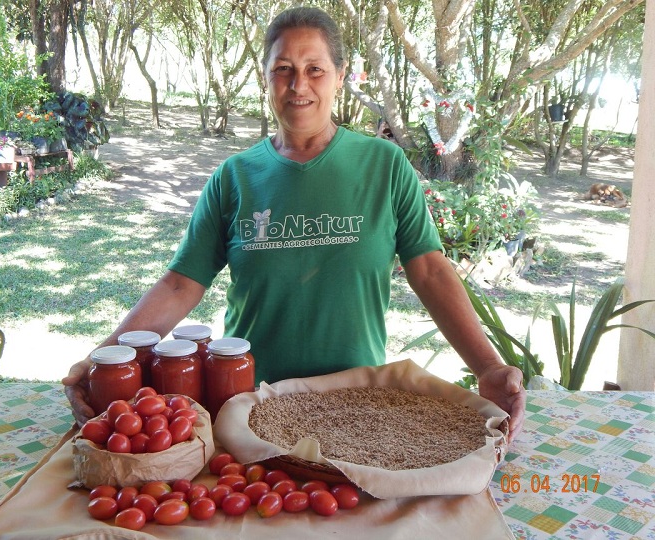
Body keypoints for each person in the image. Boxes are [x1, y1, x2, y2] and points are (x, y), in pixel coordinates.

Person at [63, 6, 525, 440]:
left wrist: (487, 367)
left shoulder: (384, 167)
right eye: (282, 69)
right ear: (266, 79)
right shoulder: (235, 177)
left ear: (340, 77)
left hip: (357, 403)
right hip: (248, 405)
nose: (298, 84)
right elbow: (182, 284)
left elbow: (430, 270)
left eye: (315, 69)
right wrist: (102, 357)